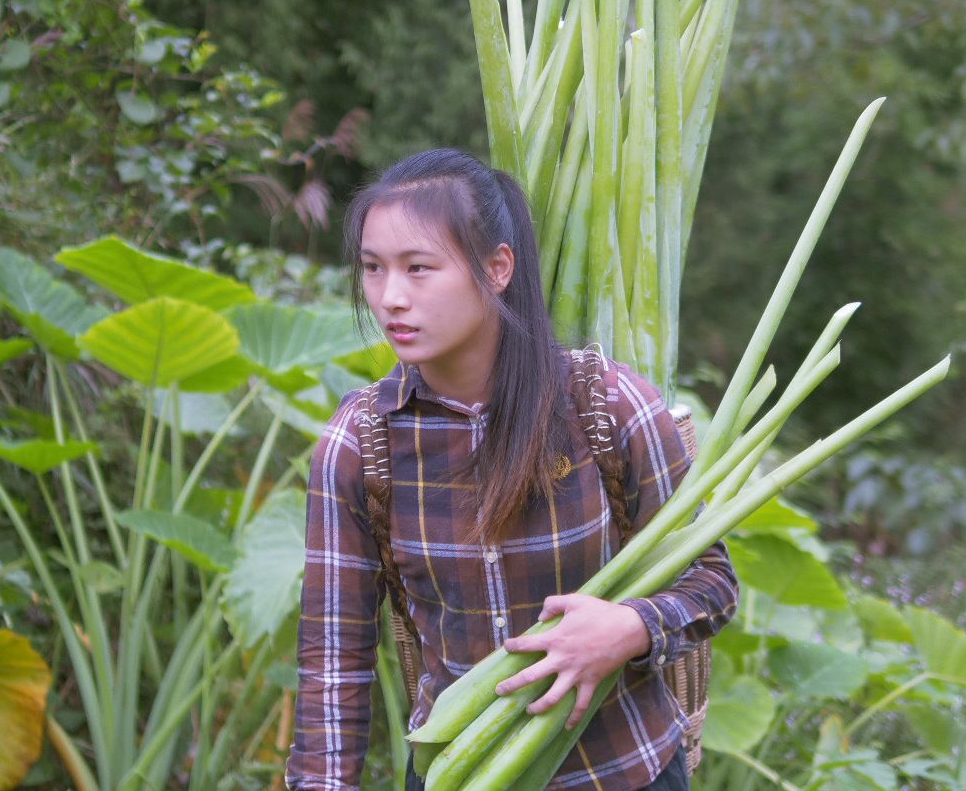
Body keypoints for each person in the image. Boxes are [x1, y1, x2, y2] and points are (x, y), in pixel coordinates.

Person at [285, 148, 739, 791]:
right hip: (461, 775)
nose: (391, 297)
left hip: (624, 773)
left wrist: (629, 627)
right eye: (372, 269)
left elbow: (712, 580)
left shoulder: (606, 404)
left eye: (419, 268)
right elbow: (334, 661)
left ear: (497, 268)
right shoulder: (361, 442)